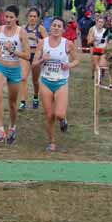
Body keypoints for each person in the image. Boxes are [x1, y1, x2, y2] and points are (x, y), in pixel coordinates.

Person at [35, 17, 79, 151]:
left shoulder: (68, 44)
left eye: (59, 26)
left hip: (61, 81)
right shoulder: (43, 43)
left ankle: (63, 120)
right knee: (49, 115)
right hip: (46, 81)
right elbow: (34, 63)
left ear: (63, 29)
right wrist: (43, 59)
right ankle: (52, 142)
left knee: (59, 114)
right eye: (54, 25)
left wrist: (69, 65)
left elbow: (76, 60)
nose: (56, 28)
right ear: (50, 27)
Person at [0, 5, 29, 145]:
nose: (8, 20)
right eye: (6, 17)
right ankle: (0, 129)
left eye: (11, 17)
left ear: (17, 18)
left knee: (13, 104)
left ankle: (12, 127)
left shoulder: (21, 32)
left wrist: (13, 50)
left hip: (14, 69)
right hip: (0, 66)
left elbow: (27, 55)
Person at [20, 7, 48, 110]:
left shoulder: (40, 28)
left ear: (37, 18)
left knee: (35, 80)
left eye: (34, 16)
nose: (32, 18)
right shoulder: (23, 28)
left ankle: (36, 96)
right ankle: (23, 102)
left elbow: (47, 42)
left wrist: (36, 38)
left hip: (36, 56)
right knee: (23, 78)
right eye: (30, 16)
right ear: (27, 17)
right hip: (26, 55)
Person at [87, 14, 110, 82]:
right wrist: (93, 39)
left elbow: (108, 41)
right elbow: (89, 42)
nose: (100, 24)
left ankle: (101, 74)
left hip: (103, 49)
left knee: (102, 64)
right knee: (94, 64)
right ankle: (95, 76)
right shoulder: (92, 29)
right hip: (94, 48)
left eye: (102, 22)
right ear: (96, 22)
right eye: (99, 22)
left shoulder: (105, 30)